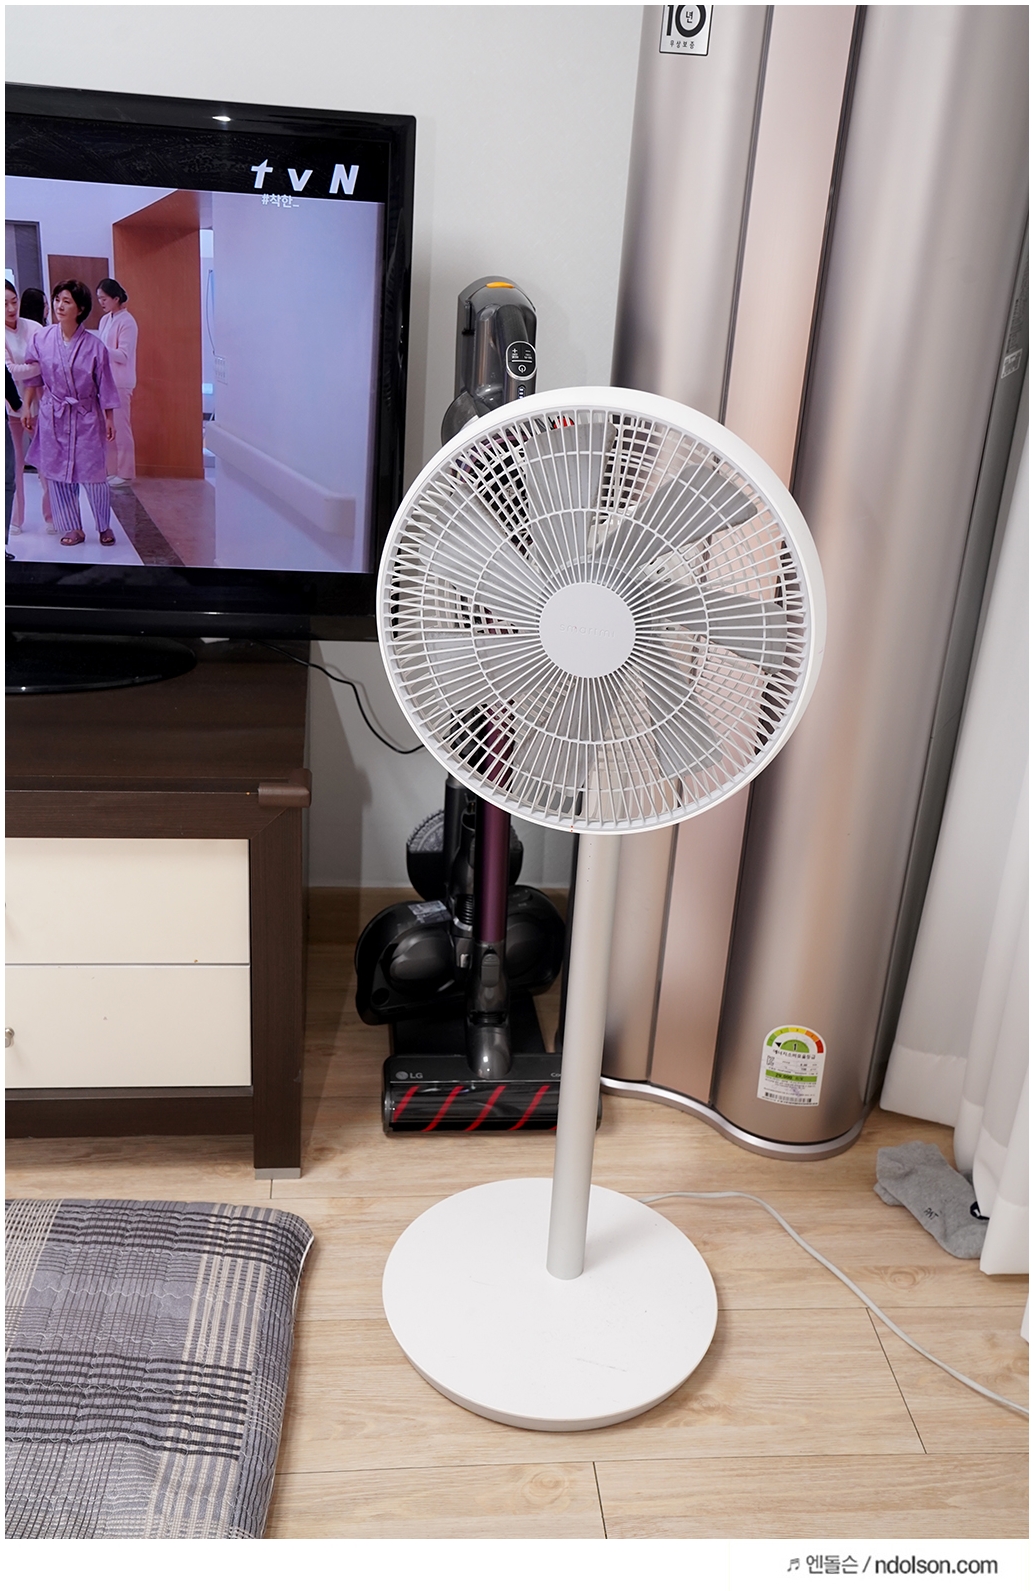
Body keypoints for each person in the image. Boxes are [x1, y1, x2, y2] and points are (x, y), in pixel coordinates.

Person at [21, 280, 120, 548]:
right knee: (57, 473)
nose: (59, 306)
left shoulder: (95, 346)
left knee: (94, 473)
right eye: (57, 300)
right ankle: (72, 527)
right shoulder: (41, 339)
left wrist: (109, 418)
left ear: (81, 308)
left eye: (67, 301)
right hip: (53, 414)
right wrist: (27, 407)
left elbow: (105, 385)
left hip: (86, 414)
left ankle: (104, 525)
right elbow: (33, 377)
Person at [5, 281, 55, 534]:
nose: (11, 308)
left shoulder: (35, 328)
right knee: (13, 465)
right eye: (4, 304)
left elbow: (47, 363)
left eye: (14, 301)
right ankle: (15, 519)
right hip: (10, 406)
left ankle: (52, 516)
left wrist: (33, 369)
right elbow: (10, 371)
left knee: (46, 463)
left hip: (40, 403)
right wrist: (36, 367)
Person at [96, 277, 138, 483]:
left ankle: (125, 472)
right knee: (108, 428)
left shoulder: (127, 321)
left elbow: (123, 355)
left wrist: (100, 349)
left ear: (116, 298)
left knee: (121, 428)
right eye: (99, 299)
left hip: (121, 382)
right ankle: (111, 469)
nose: (101, 303)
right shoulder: (105, 320)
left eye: (104, 299)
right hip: (106, 380)